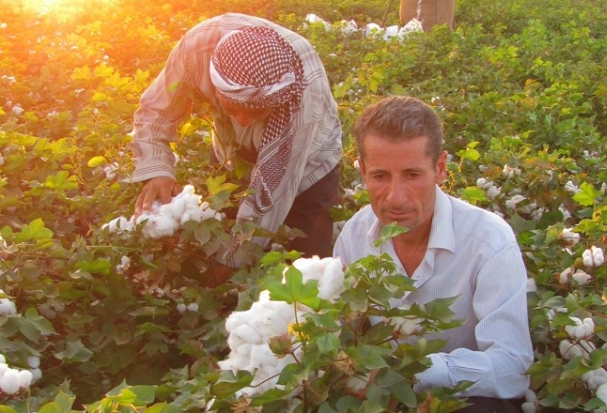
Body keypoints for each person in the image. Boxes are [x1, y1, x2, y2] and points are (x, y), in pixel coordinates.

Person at [333, 96, 533, 412]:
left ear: (440, 168)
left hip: (457, 400)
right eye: (380, 176)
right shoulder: (354, 237)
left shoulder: (489, 243)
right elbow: (341, 333)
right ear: (362, 171)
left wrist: (413, 373)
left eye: (412, 175)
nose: (395, 198)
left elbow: (512, 368)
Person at [129, 13, 342, 285]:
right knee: (221, 230)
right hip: (230, 154)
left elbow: (268, 195)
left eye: (257, 112)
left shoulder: (300, 96)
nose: (241, 121)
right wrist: (158, 171)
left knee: (307, 269)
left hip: (309, 163)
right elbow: (156, 112)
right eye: (232, 109)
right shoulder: (197, 51)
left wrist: (229, 264)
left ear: (276, 100)